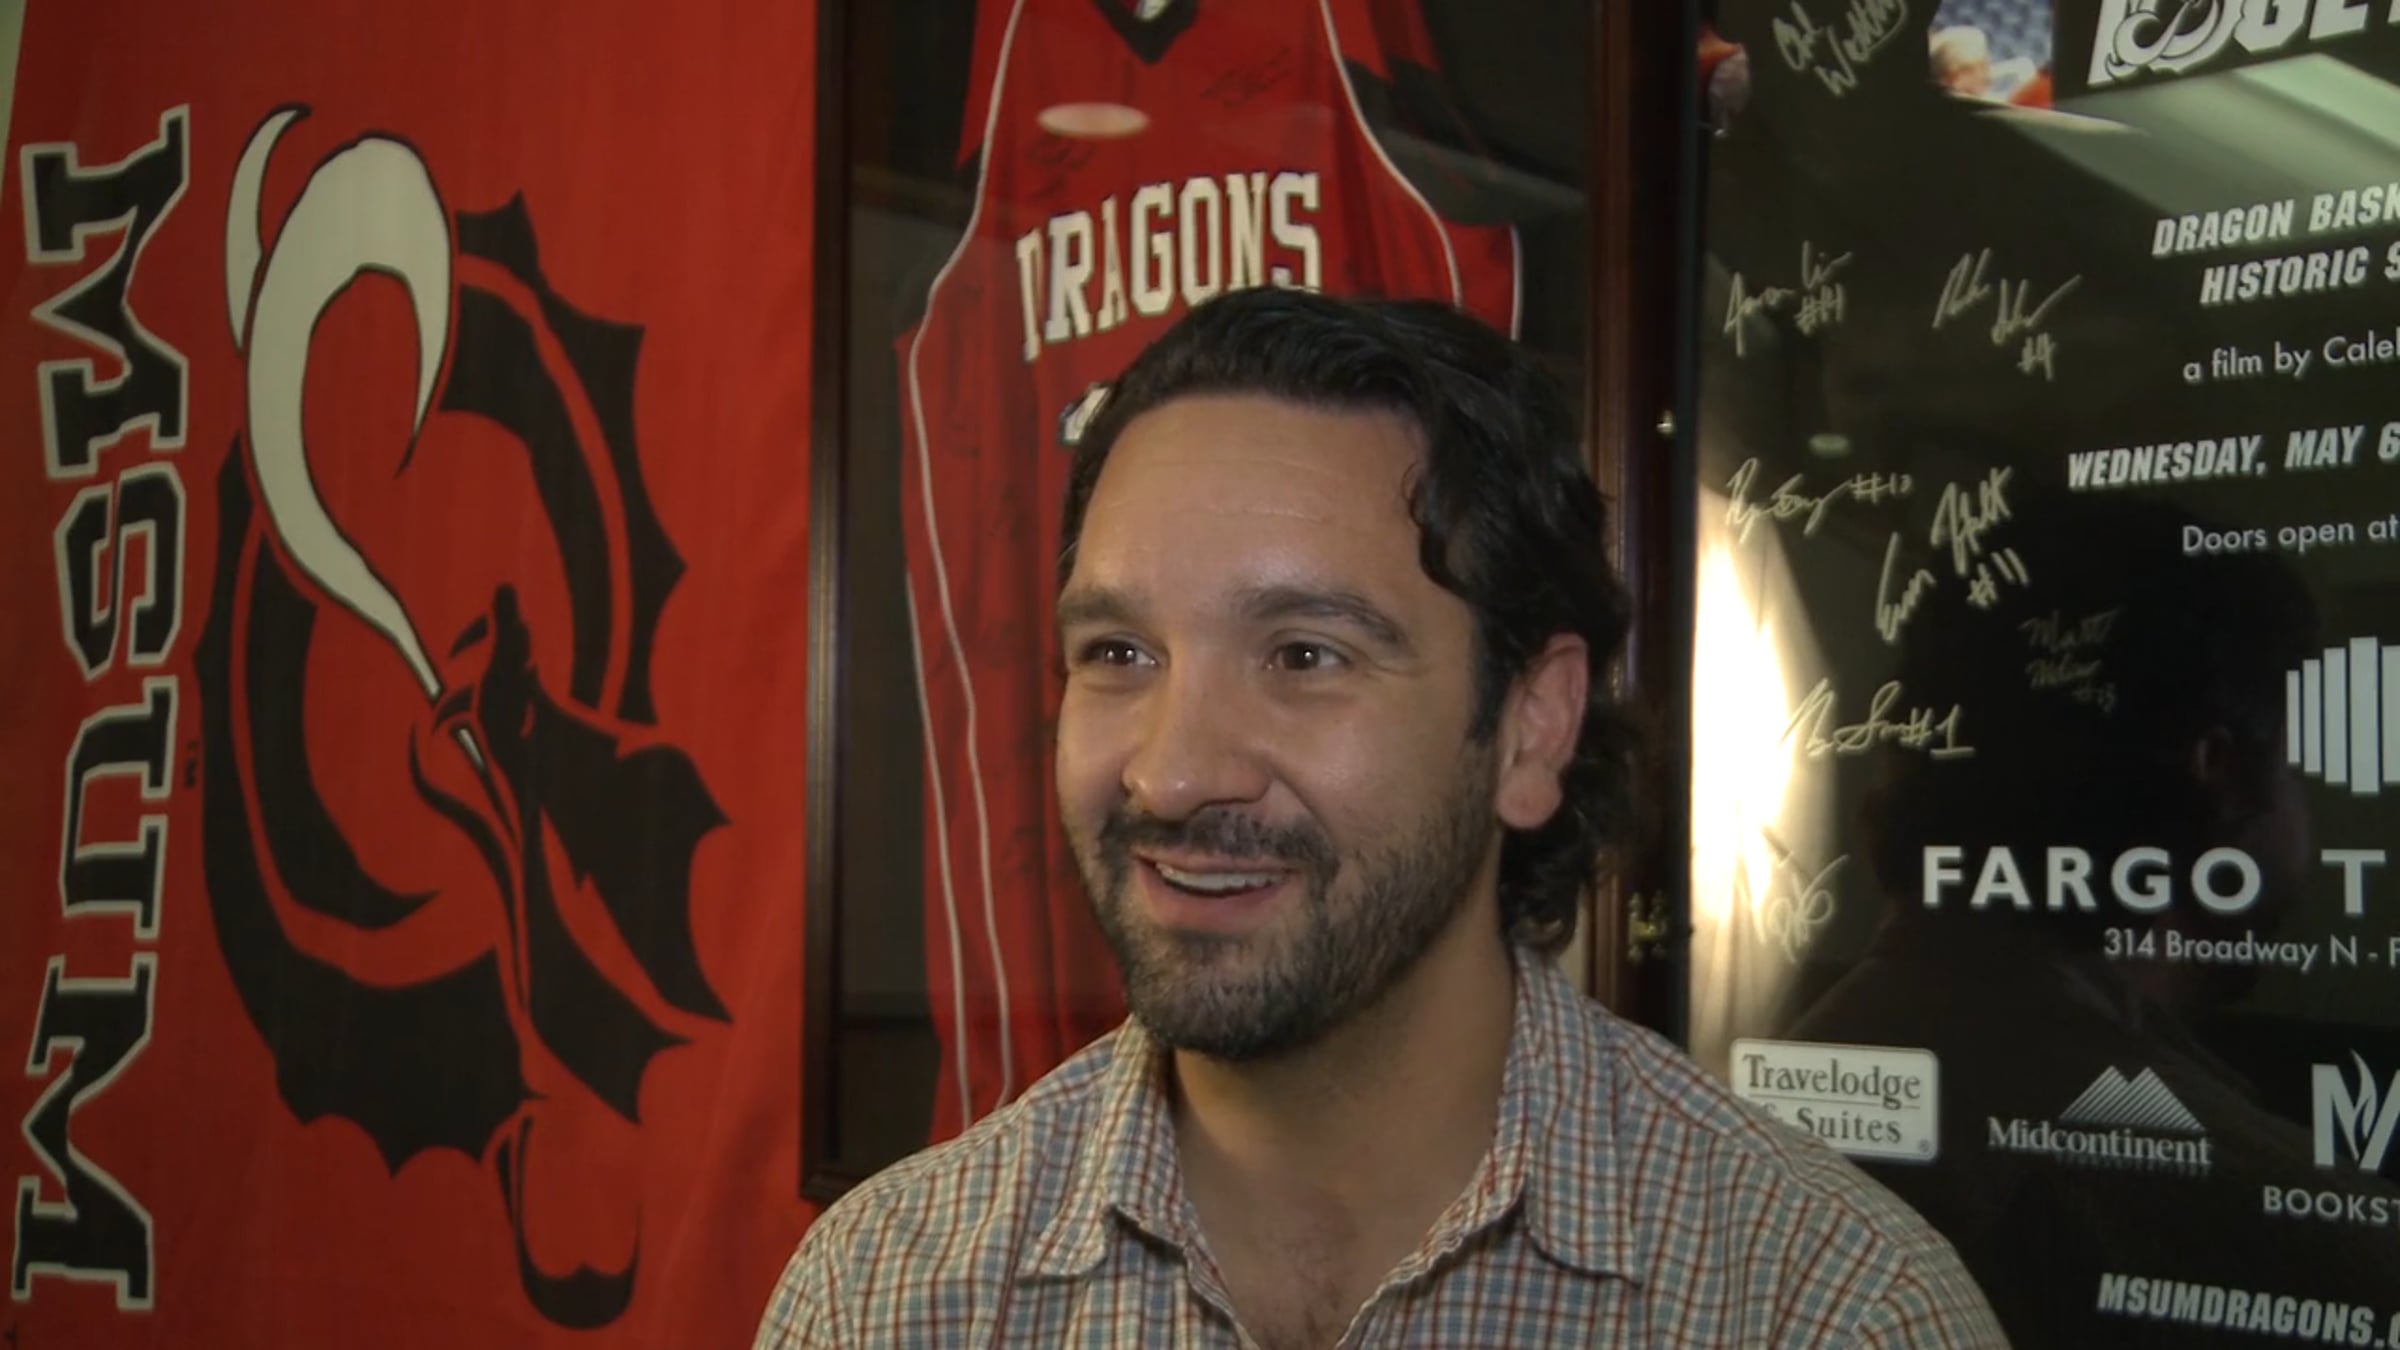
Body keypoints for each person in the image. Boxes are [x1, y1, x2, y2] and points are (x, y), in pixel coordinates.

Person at [752, 288, 2007, 1348]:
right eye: (1119, 653)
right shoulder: (887, 1298)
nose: (1172, 774)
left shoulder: (1826, 1312)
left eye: (1305, 656)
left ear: (1530, 727)